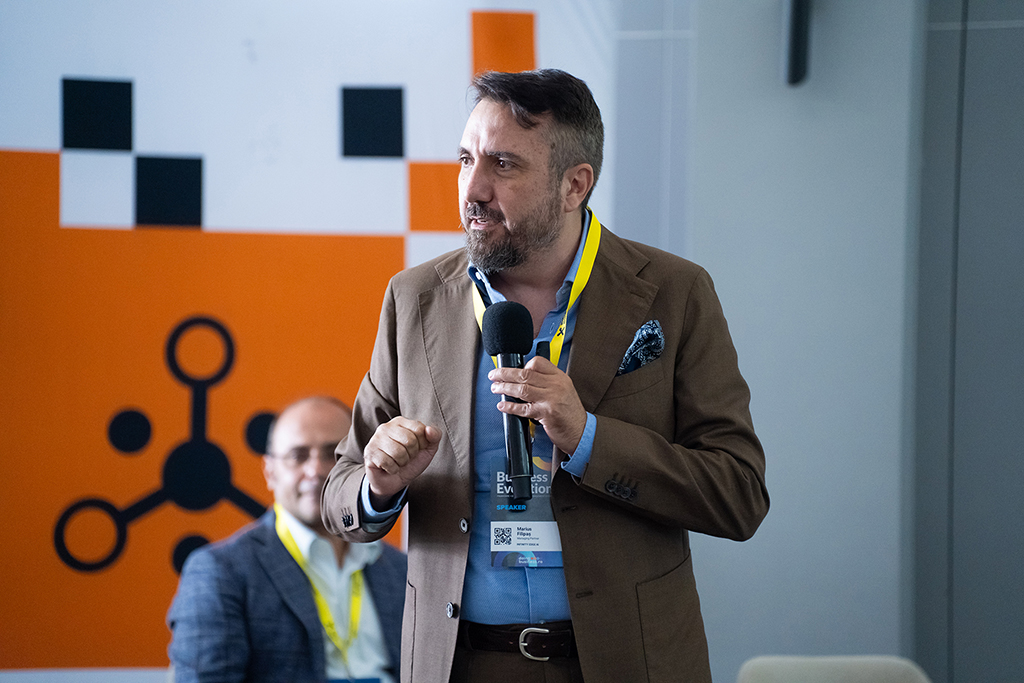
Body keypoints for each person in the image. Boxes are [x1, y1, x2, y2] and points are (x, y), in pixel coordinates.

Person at [321, 69, 769, 683]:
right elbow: (340, 493)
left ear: (573, 185)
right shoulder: (414, 298)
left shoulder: (674, 292)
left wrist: (589, 439)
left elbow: (739, 494)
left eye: (503, 165)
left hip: (624, 664)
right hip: (461, 663)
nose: (473, 188)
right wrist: (378, 485)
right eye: (466, 159)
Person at [168, 396, 406, 683]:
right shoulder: (221, 572)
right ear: (270, 472)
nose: (316, 470)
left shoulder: (401, 571)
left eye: (334, 453)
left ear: (361, 465)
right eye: (297, 455)